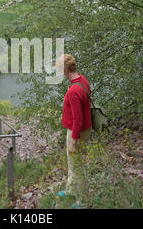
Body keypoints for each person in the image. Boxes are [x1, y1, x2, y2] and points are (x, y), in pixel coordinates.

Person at [56, 54, 92, 202]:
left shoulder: (73, 91)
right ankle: (71, 191)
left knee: (76, 167)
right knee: (74, 163)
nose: (58, 71)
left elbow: (78, 119)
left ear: (65, 69)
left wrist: (73, 141)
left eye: (59, 68)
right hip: (85, 129)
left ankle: (82, 202)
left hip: (76, 132)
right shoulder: (82, 80)